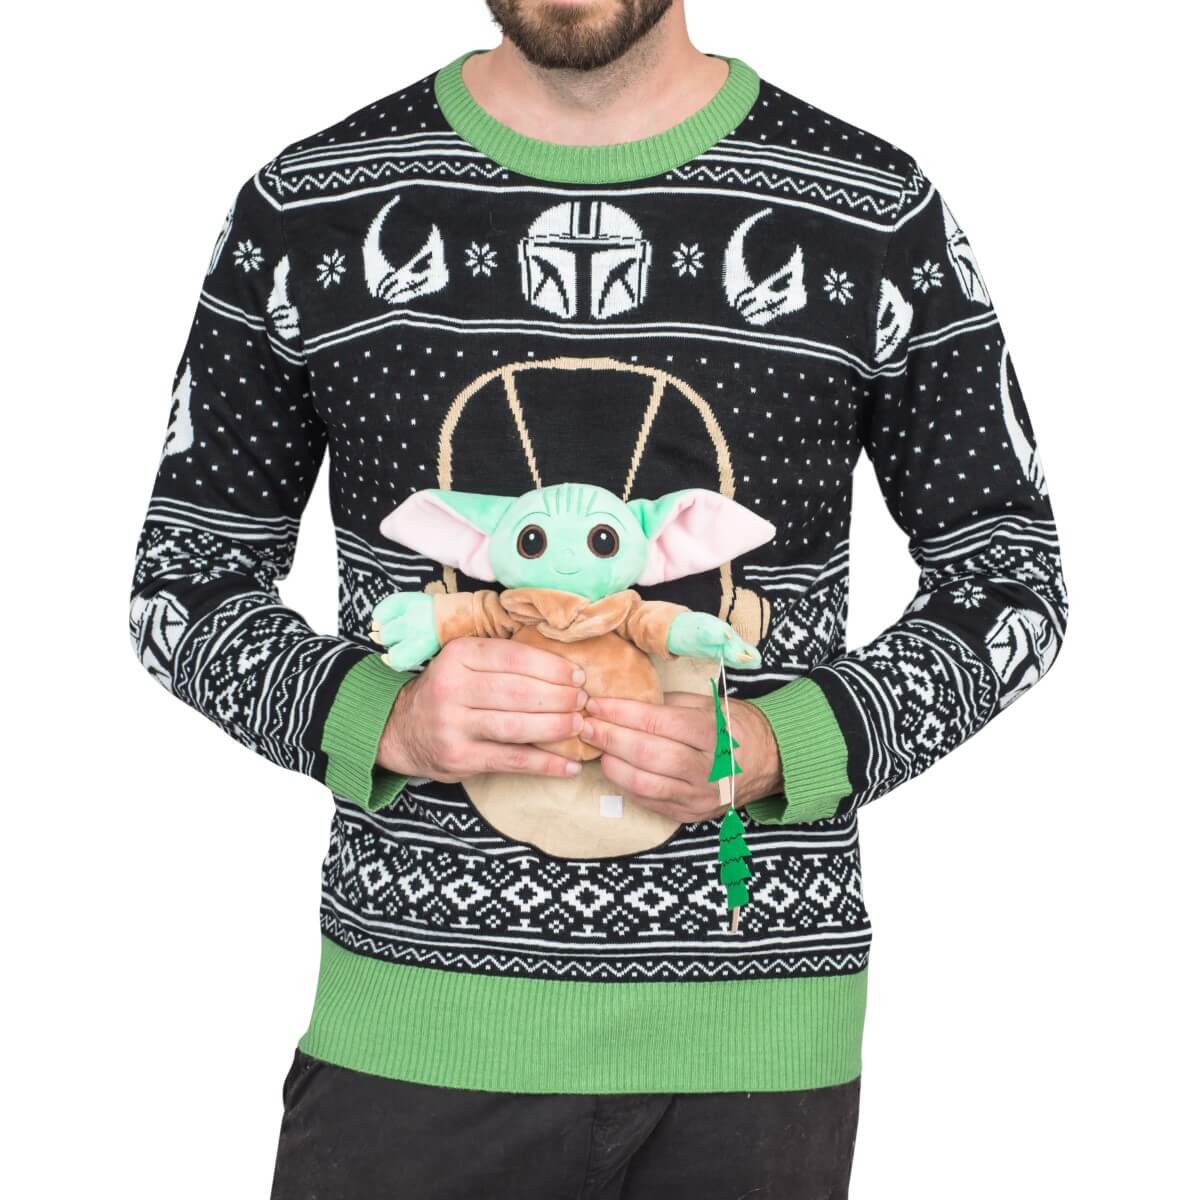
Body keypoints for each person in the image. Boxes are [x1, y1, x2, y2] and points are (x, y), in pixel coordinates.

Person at [128, 1, 1067, 1195]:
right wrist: (381, 716)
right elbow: (183, 585)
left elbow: (1010, 583)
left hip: (754, 1043)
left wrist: (790, 741)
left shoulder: (868, 215)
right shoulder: (311, 210)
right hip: (416, 1026)